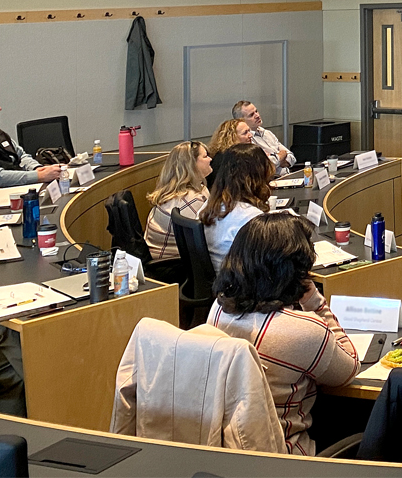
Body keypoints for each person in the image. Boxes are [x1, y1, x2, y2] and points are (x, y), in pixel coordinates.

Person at [208, 213, 359, 456]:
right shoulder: (305, 330)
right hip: (286, 457)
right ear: (295, 271)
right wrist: (316, 303)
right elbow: (349, 367)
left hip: (228, 449)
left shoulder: (218, 310)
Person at [199, 145, 273, 272]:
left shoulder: (208, 206)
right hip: (240, 284)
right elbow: (266, 262)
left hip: (219, 279)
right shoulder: (250, 217)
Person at [143, 141, 211, 261]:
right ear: (191, 165)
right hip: (172, 265)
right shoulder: (189, 200)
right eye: (205, 156)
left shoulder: (196, 189)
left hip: (175, 258)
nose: (210, 159)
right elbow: (205, 239)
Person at [232, 100, 296, 174]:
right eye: (251, 115)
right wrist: (281, 156)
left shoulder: (267, 133)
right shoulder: (246, 140)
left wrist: (276, 160)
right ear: (241, 120)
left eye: (256, 111)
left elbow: (291, 157)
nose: (257, 115)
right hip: (272, 181)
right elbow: (264, 166)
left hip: (287, 176)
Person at [205, 119, 253, 189]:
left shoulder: (238, 155)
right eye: (245, 133)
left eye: (249, 131)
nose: (250, 135)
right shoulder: (225, 158)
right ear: (233, 137)